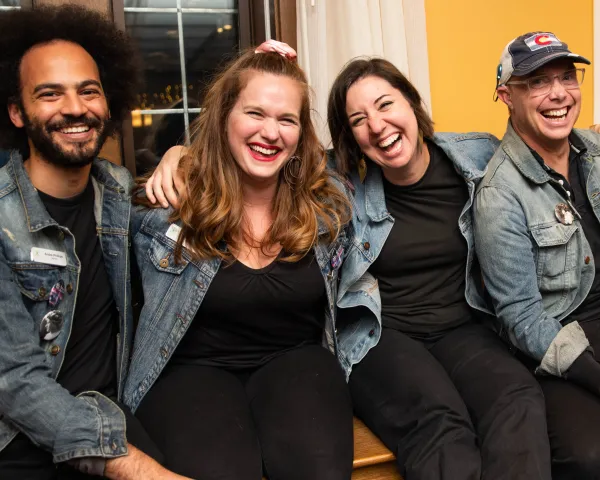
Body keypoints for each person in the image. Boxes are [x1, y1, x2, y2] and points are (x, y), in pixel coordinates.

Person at [149, 41, 552, 479]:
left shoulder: (476, 156)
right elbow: (261, 152)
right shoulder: (342, 185)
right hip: (380, 334)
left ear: (412, 103)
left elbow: (537, 162)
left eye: (385, 105)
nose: (377, 126)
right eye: (359, 120)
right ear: (350, 138)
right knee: (440, 423)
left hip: (461, 329)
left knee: (518, 398)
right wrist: (181, 155)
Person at [124, 48, 354, 480]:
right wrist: (179, 154)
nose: (271, 132)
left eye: (287, 119)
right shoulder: (166, 207)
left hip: (296, 362)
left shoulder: (327, 204)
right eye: (255, 113)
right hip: (191, 371)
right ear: (225, 116)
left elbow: (383, 149)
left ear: (301, 132)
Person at [0, 6, 189, 480]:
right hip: (22, 439)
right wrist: (146, 472)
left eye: (89, 90)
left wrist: (183, 154)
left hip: (113, 414)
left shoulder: (118, 191)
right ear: (17, 112)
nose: (76, 108)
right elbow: (17, 384)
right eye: (50, 94)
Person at [474, 31, 600, 478]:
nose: (559, 94)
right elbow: (522, 317)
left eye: (568, 77)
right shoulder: (499, 194)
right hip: (563, 342)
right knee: (589, 457)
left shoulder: (596, 152)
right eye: (538, 83)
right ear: (506, 96)